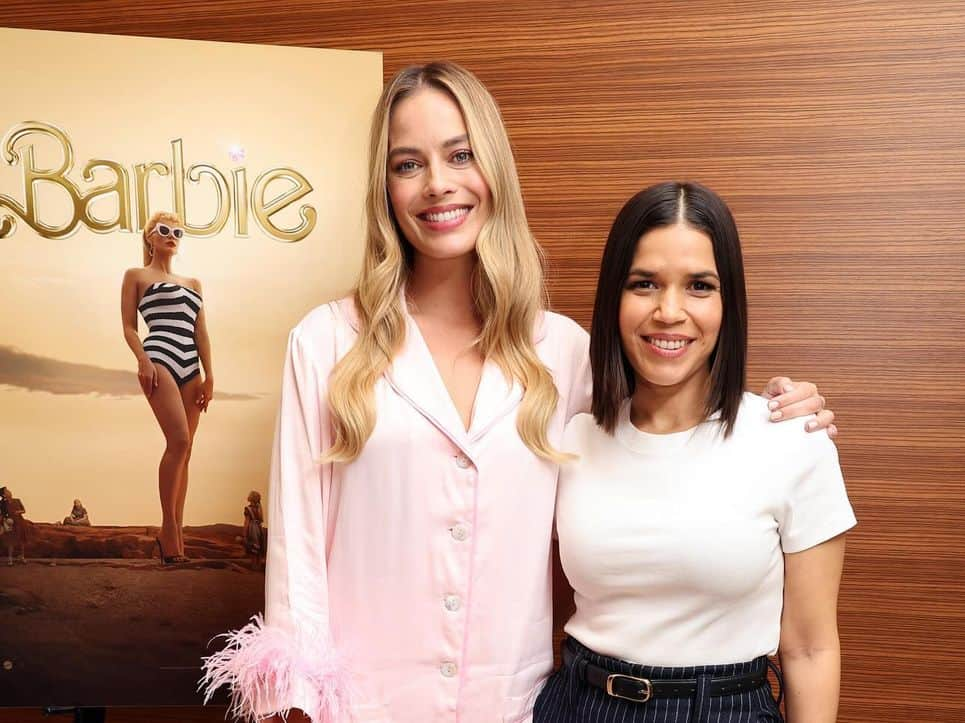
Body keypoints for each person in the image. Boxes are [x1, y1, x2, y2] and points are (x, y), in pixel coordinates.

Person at [200, 62, 835, 723]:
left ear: (494, 169)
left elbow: (669, 424)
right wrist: (295, 707)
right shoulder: (325, 344)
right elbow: (296, 556)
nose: (438, 183)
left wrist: (782, 408)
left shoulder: (565, 353)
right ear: (384, 187)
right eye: (408, 164)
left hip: (519, 709)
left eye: (460, 154)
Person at [534, 182, 855, 723]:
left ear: (729, 302)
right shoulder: (570, 439)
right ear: (614, 295)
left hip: (722, 709)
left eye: (699, 286)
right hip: (579, 704)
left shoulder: (789, 439)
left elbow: (811, 649)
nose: (669, 311)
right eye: (644, 284)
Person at [121, 212, 215, 564]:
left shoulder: (193, 282)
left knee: (186, 451)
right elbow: (129, 326)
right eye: (164, 230)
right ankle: (168, 528)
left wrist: (210, 375)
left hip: (191, 365)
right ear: (149, 236)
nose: (171, 236)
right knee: (179, 441)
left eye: (177, 231)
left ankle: (176, 528)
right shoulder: (136, 275)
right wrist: (142, 359)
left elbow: (201, 331)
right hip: (159, 356)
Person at [1, 486, 30, 565]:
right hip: (11, 522)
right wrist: (5, 522)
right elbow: (3, 514)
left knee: (22, 540)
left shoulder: (17, 500)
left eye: (8, 490)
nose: (9, 492)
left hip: (20, 521)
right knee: (11, 541)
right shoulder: (3, 503)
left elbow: (24, 510)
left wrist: (18, 512)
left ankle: (22, 556)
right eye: (6, 491)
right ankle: (10, 559)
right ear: (4, 495)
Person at [243, 491, 267, 567]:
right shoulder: (259, 508)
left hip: (252, 528)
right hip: (259, 528)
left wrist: (245, 533)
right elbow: (261, 520)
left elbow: (247, 522)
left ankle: (254, 565)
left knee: (253, 546)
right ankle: (258, 565)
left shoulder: (248, 509)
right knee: (259, 545)